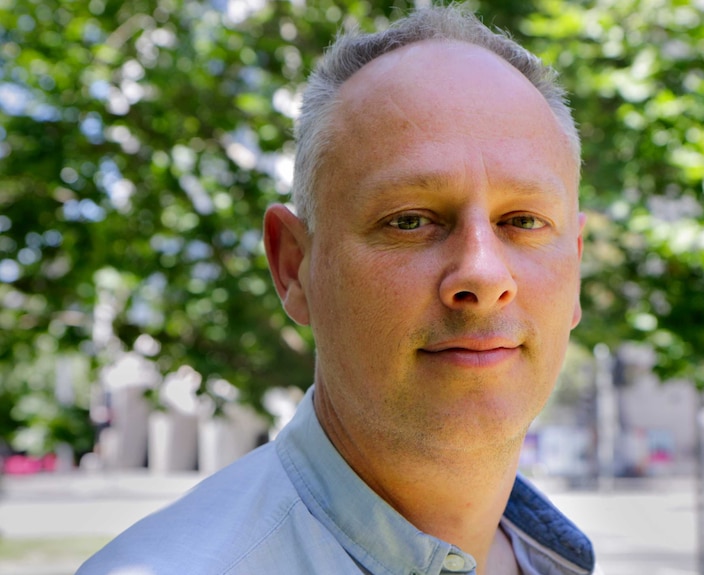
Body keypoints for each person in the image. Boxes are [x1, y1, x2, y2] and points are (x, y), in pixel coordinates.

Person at [78, 5, 600, 575]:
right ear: (293, 267)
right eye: (408, 220)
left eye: (523, 221)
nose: (483, 275)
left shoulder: (552, 559)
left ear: (574, 266)